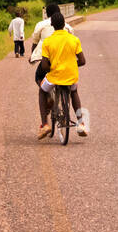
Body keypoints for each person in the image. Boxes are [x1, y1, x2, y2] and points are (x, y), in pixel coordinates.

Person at [36, 10, 89, 139]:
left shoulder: (48, 42)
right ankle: (80, 123)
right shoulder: (74, 39)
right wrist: (70, 65)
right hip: (70, 76)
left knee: (42, 92)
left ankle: (45, 124)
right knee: (74, 92)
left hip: (54, 77)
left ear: (52, 25)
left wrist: (52, 68)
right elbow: (82, 61)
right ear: (64, 24)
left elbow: (44, 66)